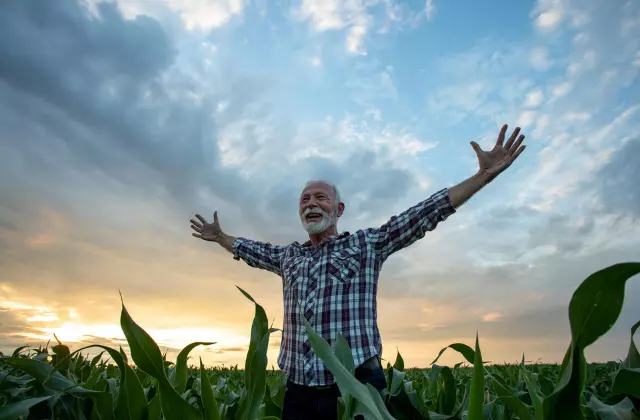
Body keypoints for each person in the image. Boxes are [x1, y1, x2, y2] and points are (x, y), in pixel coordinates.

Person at [190, 124, 526, 419]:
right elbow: (251, 250)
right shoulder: (288, 257)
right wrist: (220, 237)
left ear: (338, 209)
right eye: (304, 199)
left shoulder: (367, 245)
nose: (310, 203)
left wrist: (483, 176)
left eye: (320, 198)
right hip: (299, 389)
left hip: (356, 387)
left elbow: (424, 214)